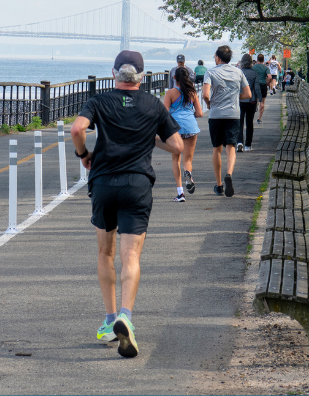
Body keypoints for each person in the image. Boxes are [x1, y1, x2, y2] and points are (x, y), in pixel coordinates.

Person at [71, 50, 183, 358]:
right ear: (143, 77)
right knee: (130, 256)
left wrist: (84, 156)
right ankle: (126, 317)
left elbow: (78, 129)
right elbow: (177, 145)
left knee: (105, 253)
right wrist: (149, 137)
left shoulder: (99, 101)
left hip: (104, 184)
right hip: (137, 185)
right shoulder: (153, 105)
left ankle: (109, 322)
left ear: (113, 73)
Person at [202, 45, 252, 197]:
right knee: (231, 146)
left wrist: (210, 103)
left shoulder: (210, 72)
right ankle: (229, 174)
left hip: (216, 114)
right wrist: (234, 99)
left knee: (216, 148)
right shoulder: (238, 72)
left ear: (217, 57)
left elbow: (205, 94)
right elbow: (248, 94)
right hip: (233, 114)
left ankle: (218, 185)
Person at [162, 64, 203, 201]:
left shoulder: (170, 93)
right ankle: (188, 173)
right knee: (188, 159)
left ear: (174, 78)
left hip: (176, 129)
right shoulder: (192, 92)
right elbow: (200, 113)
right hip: (191, 127)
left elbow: (164, 113)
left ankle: (180, 193)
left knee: (176, 159)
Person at [236, 54, 259, 152]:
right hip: (252, 101)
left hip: (240, 100)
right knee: (250, 123)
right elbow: (257, 88)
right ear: (251, 62)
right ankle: (248, 145)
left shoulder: (238, 73)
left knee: (239, 122)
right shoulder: (254, 73)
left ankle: (239, 142)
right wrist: (260, 101)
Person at [252, 54, 271, 124]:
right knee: (262, 103)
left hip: (255, 86)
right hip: (263, 86)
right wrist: (267, 82)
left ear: (257, 60)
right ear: (263, 60)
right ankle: (259, 119)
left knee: (254, 101)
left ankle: (252, 116)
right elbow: (270, 77)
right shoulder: (266, 68)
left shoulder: (253, 67)